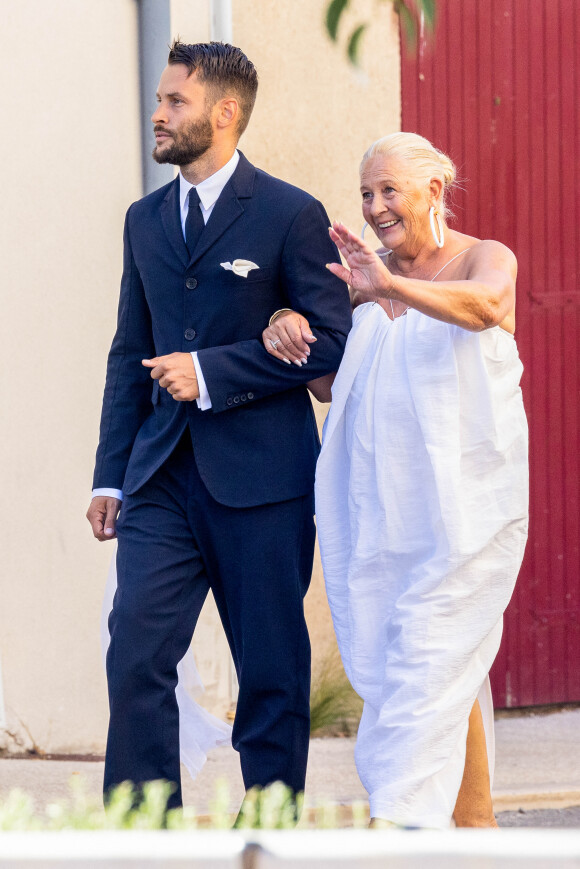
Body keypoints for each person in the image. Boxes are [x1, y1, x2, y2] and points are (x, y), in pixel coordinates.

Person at [86, 40, 352, 813]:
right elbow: (129, 350)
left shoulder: (290, 213)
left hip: (262, 480)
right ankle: (140, 827)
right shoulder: (143, 220)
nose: (159, 113)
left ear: (224, 113)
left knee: (270, 668)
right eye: (161, 99)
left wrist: (212, 373)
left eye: (176, 101)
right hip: (160, 475)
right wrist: (109, 472)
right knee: (136, 651)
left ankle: (269, 824)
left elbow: (333, 346)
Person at [262, 132, 529, 829]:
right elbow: (337, 385)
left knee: (428, 663)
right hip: (384, 521)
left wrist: (390, 287)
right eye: (366, 193)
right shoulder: (363, 280)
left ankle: (395, 832)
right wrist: (288, 330)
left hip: (462, 518)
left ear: (434, 191)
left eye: (389, 190)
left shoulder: (480, 256)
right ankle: (475, 828)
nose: (376, 206)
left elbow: (488, 307)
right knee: (435, 669)